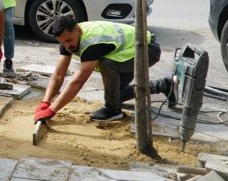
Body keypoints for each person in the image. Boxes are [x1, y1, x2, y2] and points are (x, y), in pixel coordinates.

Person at [34, 16, 174, 122]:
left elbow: (77, 82)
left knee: (107, 64)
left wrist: (52, 111)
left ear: (78, 30)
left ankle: (113, 111)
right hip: (126, 52)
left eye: (69, 40)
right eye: (62, 42)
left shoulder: (92, 44)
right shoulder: (68, 39)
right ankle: (164, 85)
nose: (67, 46)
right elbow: (59, 74)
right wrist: (45, 102)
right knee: (115, 94)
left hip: (147, 50)